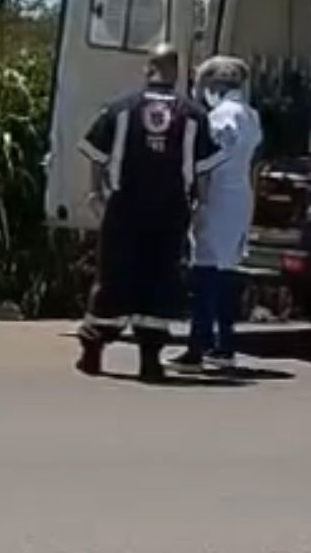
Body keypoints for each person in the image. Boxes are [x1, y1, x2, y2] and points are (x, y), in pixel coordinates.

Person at [76, 44, 224, 382]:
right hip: (170, 210)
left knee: (112, 277)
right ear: (179, 71)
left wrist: (94, 193)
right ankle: (150, 360)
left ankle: (93, 351)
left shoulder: (119, 108)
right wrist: (201, 206)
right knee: (160, 280)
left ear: (147, 69)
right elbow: (204, 172)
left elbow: (95, 156)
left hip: (124, 207)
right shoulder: (194, 115)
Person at [168, 55, 262, 372]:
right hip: (241, 195)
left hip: (219, 196)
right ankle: (225, 344)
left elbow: (208, 165)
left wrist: (200, 204)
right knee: (227, 270)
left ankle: (197, 346)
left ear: (211, 86)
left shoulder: (219, 118)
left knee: (205, 271)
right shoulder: (251, 115)